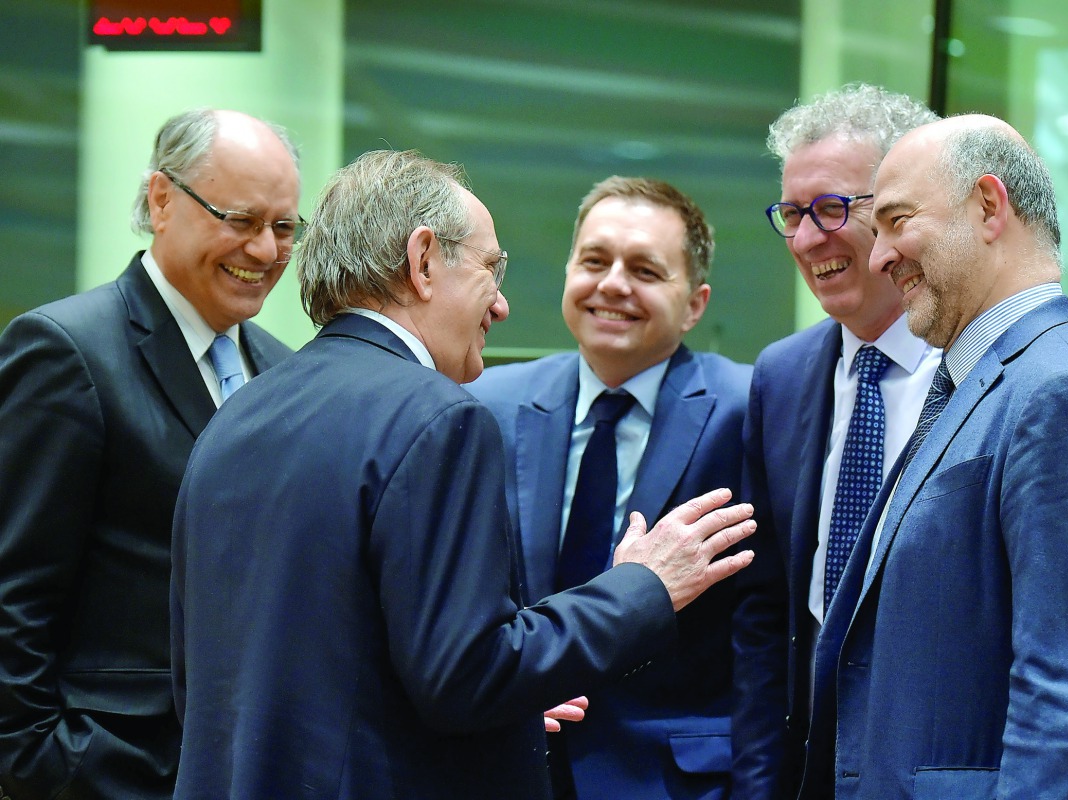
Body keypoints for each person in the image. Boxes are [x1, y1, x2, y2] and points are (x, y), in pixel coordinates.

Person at [169, 150, 758, 800]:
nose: (501, 305)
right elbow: (468, 676)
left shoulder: (237, 412)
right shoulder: (438, 417)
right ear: (423, 261)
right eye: (490, 269)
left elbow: (232, 670)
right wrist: (642, 586)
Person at [802, 114, 1068, 798]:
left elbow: (1066, 696)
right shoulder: (992, 380)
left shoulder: (1062, 392)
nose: (879, 254)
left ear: (988, 205)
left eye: (895, 220)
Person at [0, 108, 298, 799]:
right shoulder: (66, 351)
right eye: (240, 219)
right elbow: (14, 593)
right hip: (104, 771)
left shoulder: (282, 373)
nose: (263, 251)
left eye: (283, 228)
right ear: (162, 200)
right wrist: (41, 763)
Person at [468, 176, 751, 799]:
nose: (613, 283)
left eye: (645, 270)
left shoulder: (749, 409)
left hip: (677, 779)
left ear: (695, 303)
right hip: (509, 764)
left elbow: (763, 626)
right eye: (594, 261)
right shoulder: (486, 405)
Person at [729, 84, 941, 799]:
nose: (808, 238)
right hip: (810, 763)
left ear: (900, 213)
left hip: (939, 766)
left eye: (831, 209)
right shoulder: (781, 377)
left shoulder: (987, 373)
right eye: (792, 214)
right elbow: (764, 613)